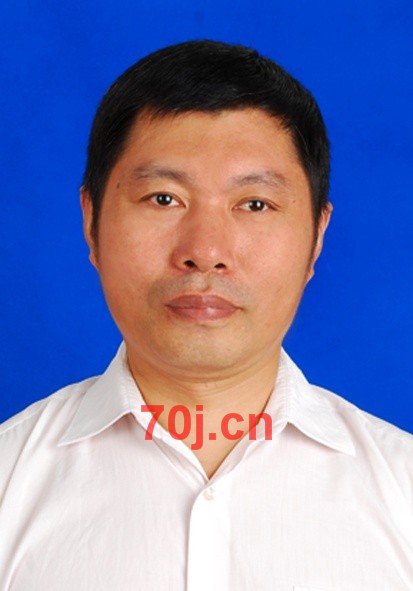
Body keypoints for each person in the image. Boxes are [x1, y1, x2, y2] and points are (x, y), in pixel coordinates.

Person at [0, 40, 412, 590]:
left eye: (255, 204)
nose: (206, 250)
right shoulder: (9, 482)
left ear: (317, 237)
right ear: (91, 221)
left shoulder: (402, 492)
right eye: (163, 198)